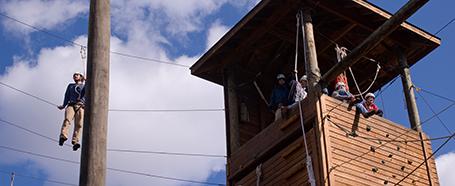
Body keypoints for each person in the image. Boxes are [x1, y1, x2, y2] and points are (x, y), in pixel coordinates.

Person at [57, 72, 86, 151]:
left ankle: (75, 141)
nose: (75, 76)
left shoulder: (84, 86)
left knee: (79, 124)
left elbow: (87, 93)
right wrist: (63, 105)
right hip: (71, 105)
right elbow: (67, 95)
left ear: (81, 77)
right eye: (74, 75)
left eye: (77, 75)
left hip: (80, 106)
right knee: (67, 120)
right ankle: (63, 136)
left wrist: (87, 82)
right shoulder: (71, 86)